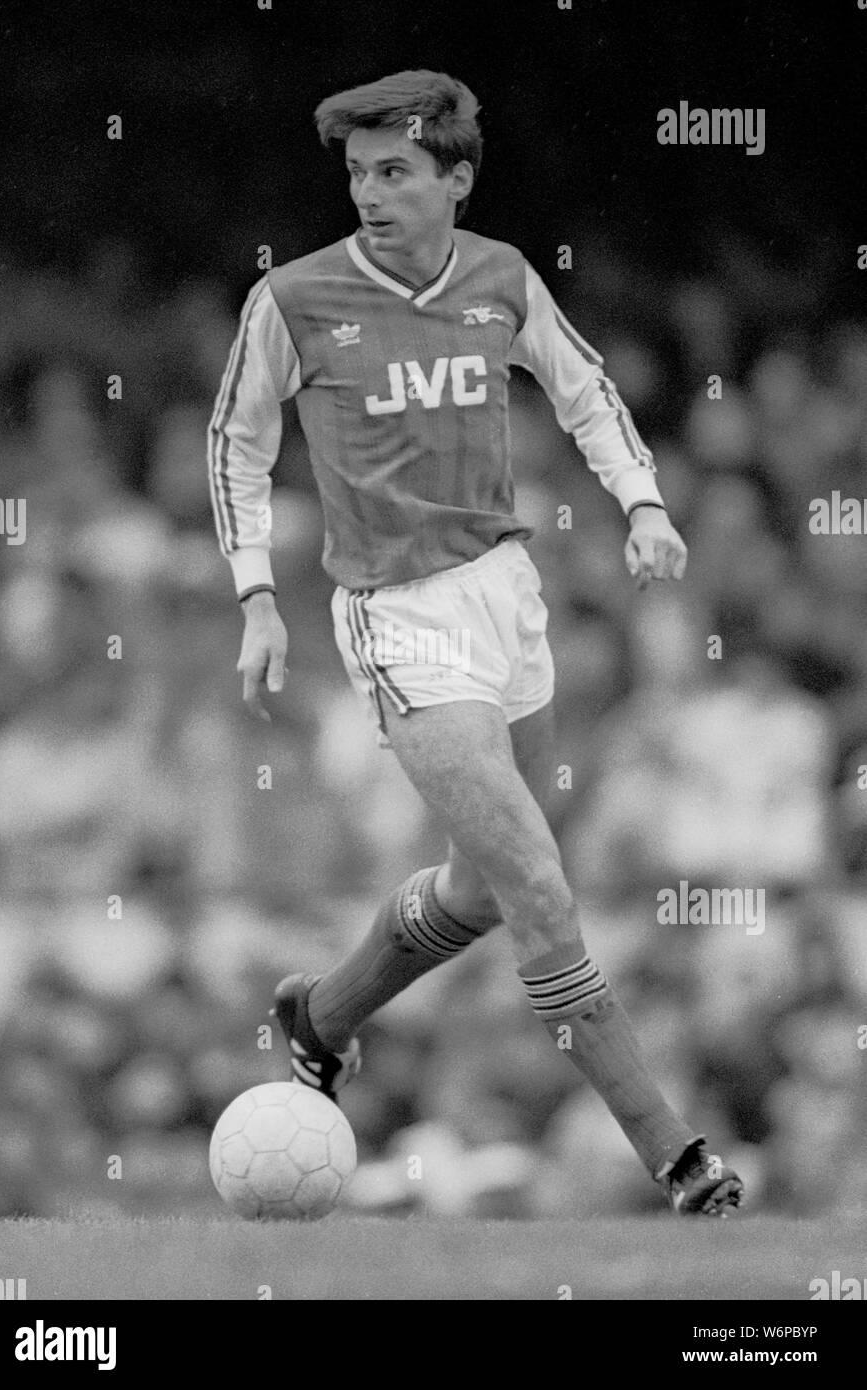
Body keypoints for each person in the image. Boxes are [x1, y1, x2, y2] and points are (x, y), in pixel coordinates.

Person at [208, 69, 743, 1215]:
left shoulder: (500, 279)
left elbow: (584, 389)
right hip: (394, 618)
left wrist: (642, 503)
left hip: (506, 594)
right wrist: (256, 596)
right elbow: (236, 446)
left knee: (483, 886)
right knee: (540, 888)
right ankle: (675, 1155)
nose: (369, 193)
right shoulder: (295, 300)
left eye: (394, 171)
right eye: (356, 174)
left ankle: (321, 1015)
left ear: (455, 179)